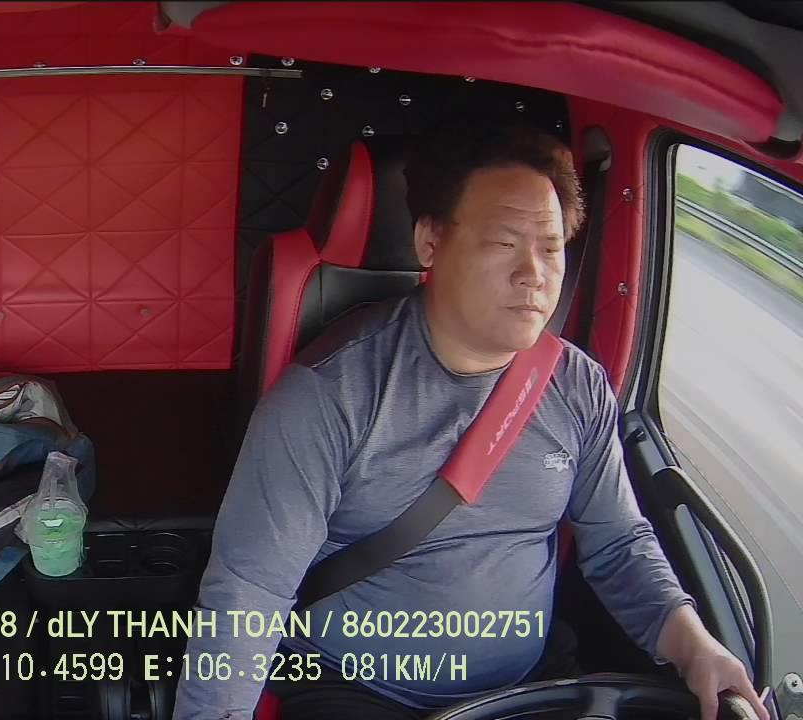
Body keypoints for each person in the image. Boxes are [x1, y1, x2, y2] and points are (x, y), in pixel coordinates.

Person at [171, 122, 770, 720]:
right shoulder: (329, 395)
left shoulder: (578, 385)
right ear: (430, 242)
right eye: (505, 243)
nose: (534, 273)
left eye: (551, 247)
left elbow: (617, 543)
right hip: (356, 690)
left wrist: (695, 646)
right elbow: (250, 590)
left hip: (531, 690)